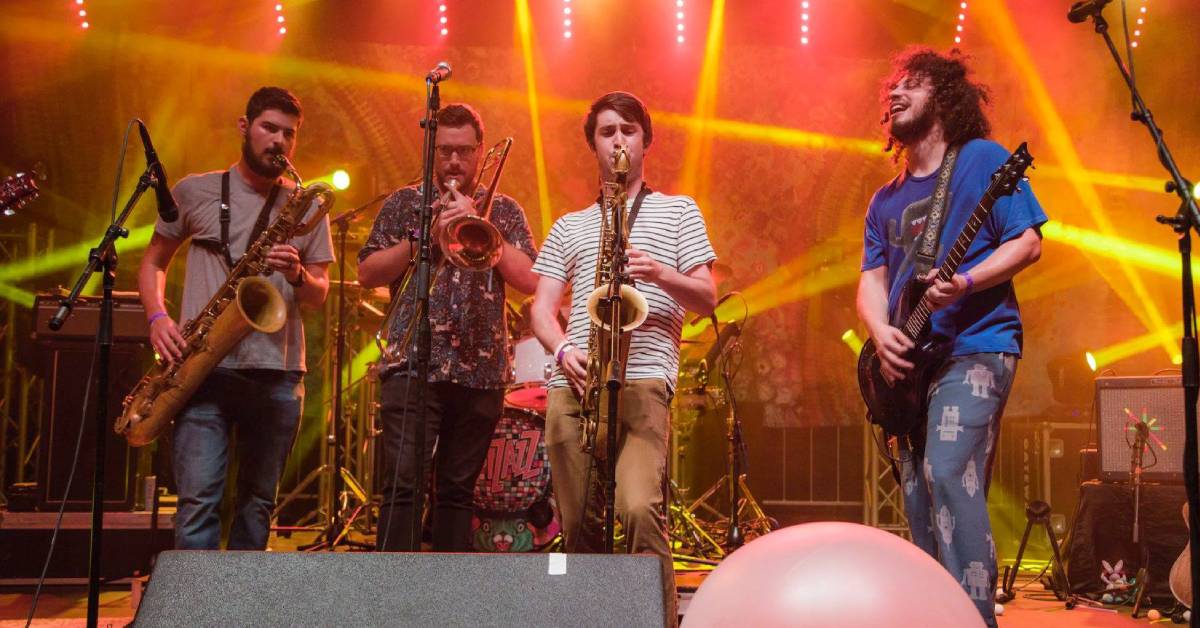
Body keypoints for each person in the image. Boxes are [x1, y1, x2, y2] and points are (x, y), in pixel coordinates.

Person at [856, 48, 1045, 626]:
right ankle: (932, 613)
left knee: (945, 468)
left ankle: (973, 616)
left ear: (943, 97)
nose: (895, 94)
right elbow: (870, 279)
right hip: (912, 362)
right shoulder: (885, 199)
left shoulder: (984, 160)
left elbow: (1028, 242)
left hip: (977, 344)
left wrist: (965, 280)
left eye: (911, 85)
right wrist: (880, 332)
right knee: (916, 494)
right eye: (893, 86)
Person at [530, 91, 717, 626]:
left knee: (638, 509)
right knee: (577, 525)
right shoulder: (570, 225)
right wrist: (564, 349)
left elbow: (706, 297)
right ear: (594, 144)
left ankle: (656, 620)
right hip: (577, 387)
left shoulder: (679, 211)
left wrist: (659, 272)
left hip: (644, 383)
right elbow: (540, 310)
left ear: (646, 141)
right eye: (607, 131)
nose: (618, 140)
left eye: (628, 130)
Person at [138, 86, 334, 550]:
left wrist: (299, 273)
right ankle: (193, 616)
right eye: (269, 128)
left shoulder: (305, 203)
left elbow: (319, 295)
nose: (279, 142)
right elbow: (154, 262)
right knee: (199, 503)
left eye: (289, 134)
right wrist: (157, 318)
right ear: (245, 128)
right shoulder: (194, 190)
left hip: (277, 373)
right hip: (204, 370)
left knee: (258, 505)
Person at [358, 103, 538, 552]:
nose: (454, 162)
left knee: (459, 494)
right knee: (403, 487)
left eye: (463, 151)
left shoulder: (506, 210)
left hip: (482, 371)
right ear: (431, 152)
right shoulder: (405, 203)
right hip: (413, 363)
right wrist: (425, 235)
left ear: (480, 152)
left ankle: (449, 604)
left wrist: (482, 222)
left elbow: (532, 279)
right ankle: (390, 604)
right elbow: (368, 272)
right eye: (444, 152)